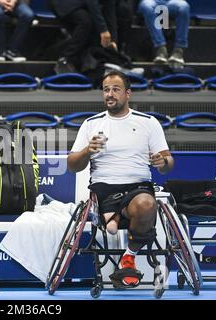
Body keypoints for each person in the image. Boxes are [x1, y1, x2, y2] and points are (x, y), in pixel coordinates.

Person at [67, 70, 174, 288]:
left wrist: (163, 162)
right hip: (104, 188)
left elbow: (168, 163)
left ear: (128, 94)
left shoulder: (148, 122)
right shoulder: (91, 124)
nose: (110, 94)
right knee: (112, 225)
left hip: (139, 187)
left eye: (116, 89)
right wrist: (88, 150)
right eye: (106, 90)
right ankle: (112, 218)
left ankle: (128, 257)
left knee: (146, 204)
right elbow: (72, 165)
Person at [50, 0, 119, 74]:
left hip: (82, 4)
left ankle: (90, 63)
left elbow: (110, 11)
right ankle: (65, 59)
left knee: (98, 20)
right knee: (86, 21)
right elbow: (91, 2)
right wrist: (103, 30)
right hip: (63, 3)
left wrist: (113, 40)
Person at [138, 0, 190, 66]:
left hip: (171, 2)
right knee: (147, 6)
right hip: (150, 1)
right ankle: (161, 49)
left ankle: (178, 50)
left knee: (184, 6)